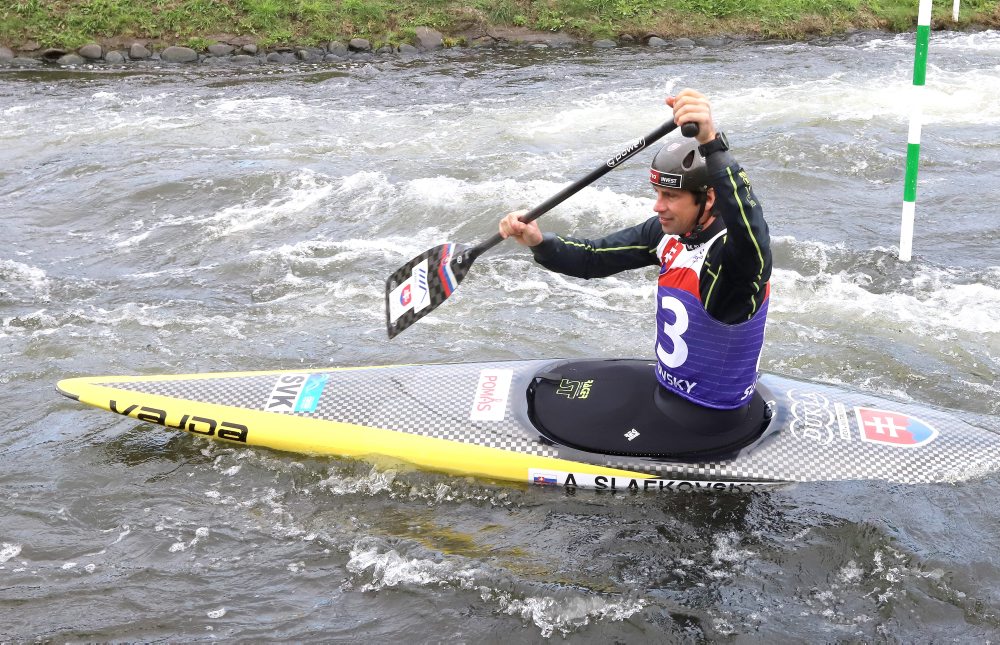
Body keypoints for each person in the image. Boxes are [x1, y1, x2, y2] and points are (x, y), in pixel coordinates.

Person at [500, 89, 771, 415]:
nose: (658, 206)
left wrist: (712, 143)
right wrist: (538, 241)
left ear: (709, 199)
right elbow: (593, 257)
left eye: (670, 195)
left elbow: (751, 231)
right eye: (657, 193)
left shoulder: (734, 262)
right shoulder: (670, 234)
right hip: (667, 389)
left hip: (709, 417)